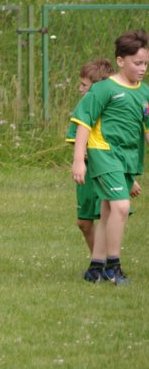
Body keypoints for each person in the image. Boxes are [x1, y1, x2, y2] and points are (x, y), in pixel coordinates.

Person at [72, 29, 149, 285]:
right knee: (121, 207)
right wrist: (78, 160)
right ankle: (113, 267)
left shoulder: (144, 93)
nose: (142, 68)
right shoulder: (104, 89)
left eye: (145, 63)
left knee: (107, 211)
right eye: (137, 63)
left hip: (128, 158)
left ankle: (96, 267)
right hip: (104, 153)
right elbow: (83, 122)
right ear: (120, 60)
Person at [65, 59, 115, 254]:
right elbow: (76, 138)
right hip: (87, 176)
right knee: (84, 222)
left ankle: (108, 263)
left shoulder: (115, 111)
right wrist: (80, 158)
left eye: (84, 85)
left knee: (108, 217)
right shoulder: (83, 108)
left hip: (107, 172)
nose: (80, 89)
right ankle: (99, 263)